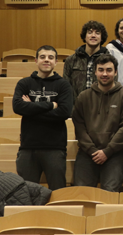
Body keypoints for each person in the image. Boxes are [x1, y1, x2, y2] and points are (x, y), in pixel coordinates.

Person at [13, 45, 73, 190]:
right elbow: (18, 107)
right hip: (28, 148)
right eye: (43, 57)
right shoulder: (24, 83)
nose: (47, 60)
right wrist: (50, 105)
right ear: (36, 60)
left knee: (57, 192)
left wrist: (31, 109)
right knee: (25, 193)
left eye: (51, 57)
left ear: (56, 62)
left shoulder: (63, 85)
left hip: (54, 148)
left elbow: (64, 112)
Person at [72, 54, 123, 192]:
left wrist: (107, 151)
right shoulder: (83, 97)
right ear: (95, 72)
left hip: (116, 153)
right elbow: (80, 128)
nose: (104, 74)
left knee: (110, 192)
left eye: (109, 70)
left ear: (116, 72)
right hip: (88, 152)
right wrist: (93, 150)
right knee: (82, 192)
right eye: (101, 70)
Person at [64, 20, 111, 101]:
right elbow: (66, 87)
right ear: (84, 37)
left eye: (97, 33)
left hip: (102, 107)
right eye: (90, 32)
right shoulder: (71, 60)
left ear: (101, 37)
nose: (93, 35)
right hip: (76, 108)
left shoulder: (110, 61)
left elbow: (112, 86)